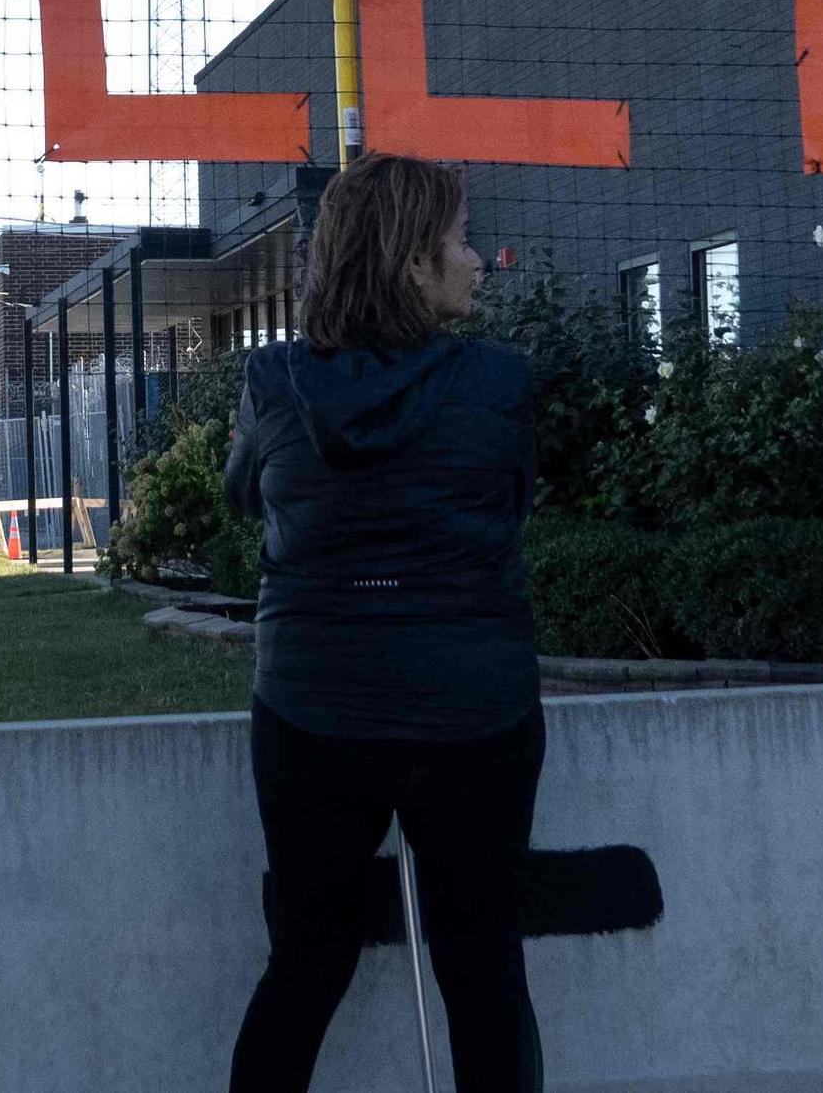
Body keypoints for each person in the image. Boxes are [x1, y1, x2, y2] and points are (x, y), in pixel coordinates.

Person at [222, 152, 542, 1093]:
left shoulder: (273, 382)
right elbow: (513, 502)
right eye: (460, 241)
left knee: (304, 959)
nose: (476, 260)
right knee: (484, 969)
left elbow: (245, 496)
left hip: (313, 707)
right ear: (412, 263)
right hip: (474, 711)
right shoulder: (500, 382)